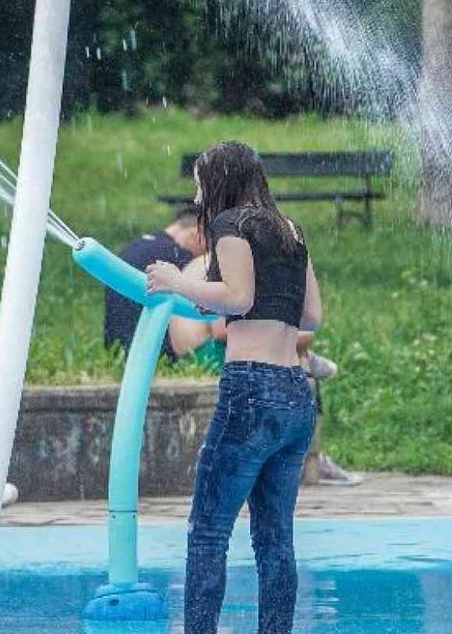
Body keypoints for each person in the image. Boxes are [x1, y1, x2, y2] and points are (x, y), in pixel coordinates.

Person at [146, 141, 321, 634]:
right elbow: (310, 315)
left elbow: (239, 298)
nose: (196, 193)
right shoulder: (290, 229)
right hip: (295, 391)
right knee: (274, 538)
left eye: (200, 182)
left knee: (208, 532)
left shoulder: (230, 224)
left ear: (220, 180)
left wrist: (177, 281)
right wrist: (219, 300)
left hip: (252, 389)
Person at [169, 256, 359, 487]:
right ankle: (309, 460)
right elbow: (221, 329)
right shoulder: (229, 258)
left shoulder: (210, 258)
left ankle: (307, 459)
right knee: (300, 363)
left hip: (196, 354)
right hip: (208, 354)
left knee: (295, 347)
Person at [104, 207, 207, 361]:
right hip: (155, 351)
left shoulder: (136, 247)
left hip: (116, 347)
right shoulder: (175, 256)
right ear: (196, 234)